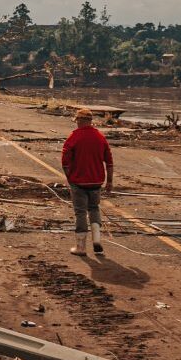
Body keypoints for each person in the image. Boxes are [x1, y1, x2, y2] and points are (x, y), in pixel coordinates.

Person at [60, 109, 113, 256]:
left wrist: (69, 177)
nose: (76, 123)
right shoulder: (100, 137)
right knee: (94, 208)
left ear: (80, 121)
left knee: (81, 212)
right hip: (96, 182)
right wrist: (109, 182)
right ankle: (96, 240)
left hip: (79, 183)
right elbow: (109, 162)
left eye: (77, 120)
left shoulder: (74, 137)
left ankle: (81, 247)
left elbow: (65, 161)